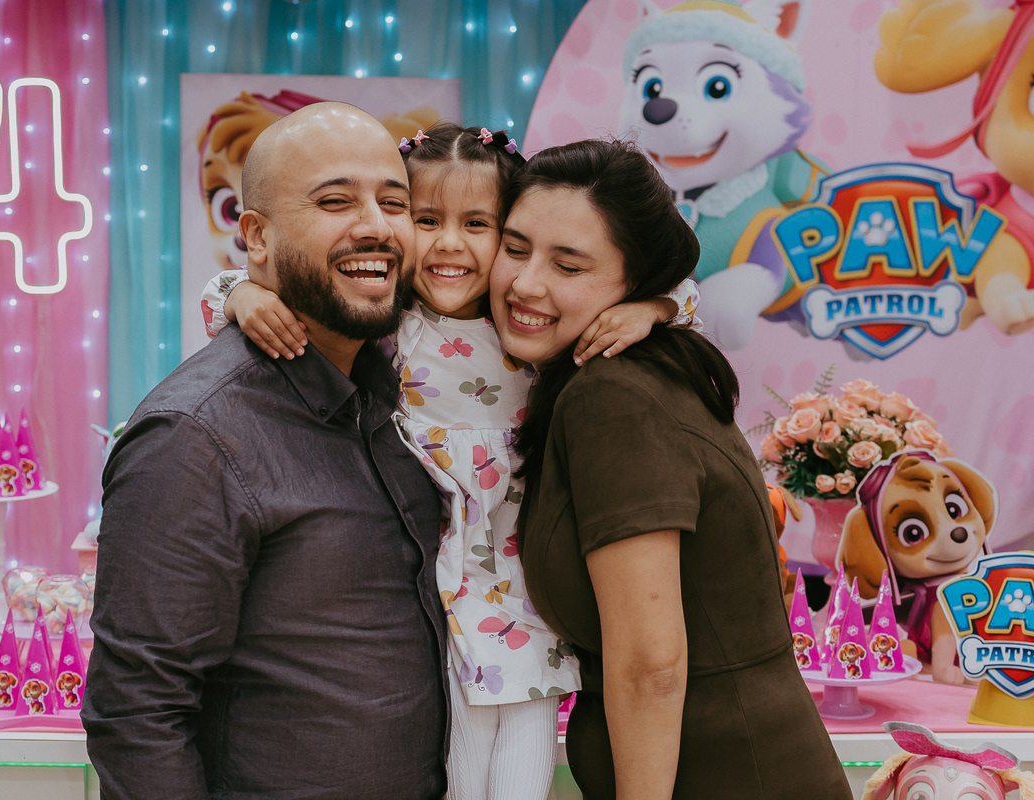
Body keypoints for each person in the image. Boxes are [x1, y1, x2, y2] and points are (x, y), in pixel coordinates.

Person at [200, 123, 699, 800]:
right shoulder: (387, 322)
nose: (449, 244)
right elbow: (229, 289)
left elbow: (685, 295)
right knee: (458, 769)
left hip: (522, 581)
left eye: (478, 224)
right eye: (426, 219)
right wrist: (245, 295)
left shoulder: (523, 323)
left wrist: (652, 309)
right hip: (432, 582)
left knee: (524, 765)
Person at [82, 102, 449, 800]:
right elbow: (136, 715)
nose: (376, 225)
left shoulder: (403, 391)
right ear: (256, 236)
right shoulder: (196, 436)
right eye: (335, 201)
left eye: (395, 202)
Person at [492, 139, 852, 799]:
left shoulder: (611, 397)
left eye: (567, 265)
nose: (525, 283)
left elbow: (650, 665)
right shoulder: (636, 367)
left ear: (636, 282)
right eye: (514, 249)